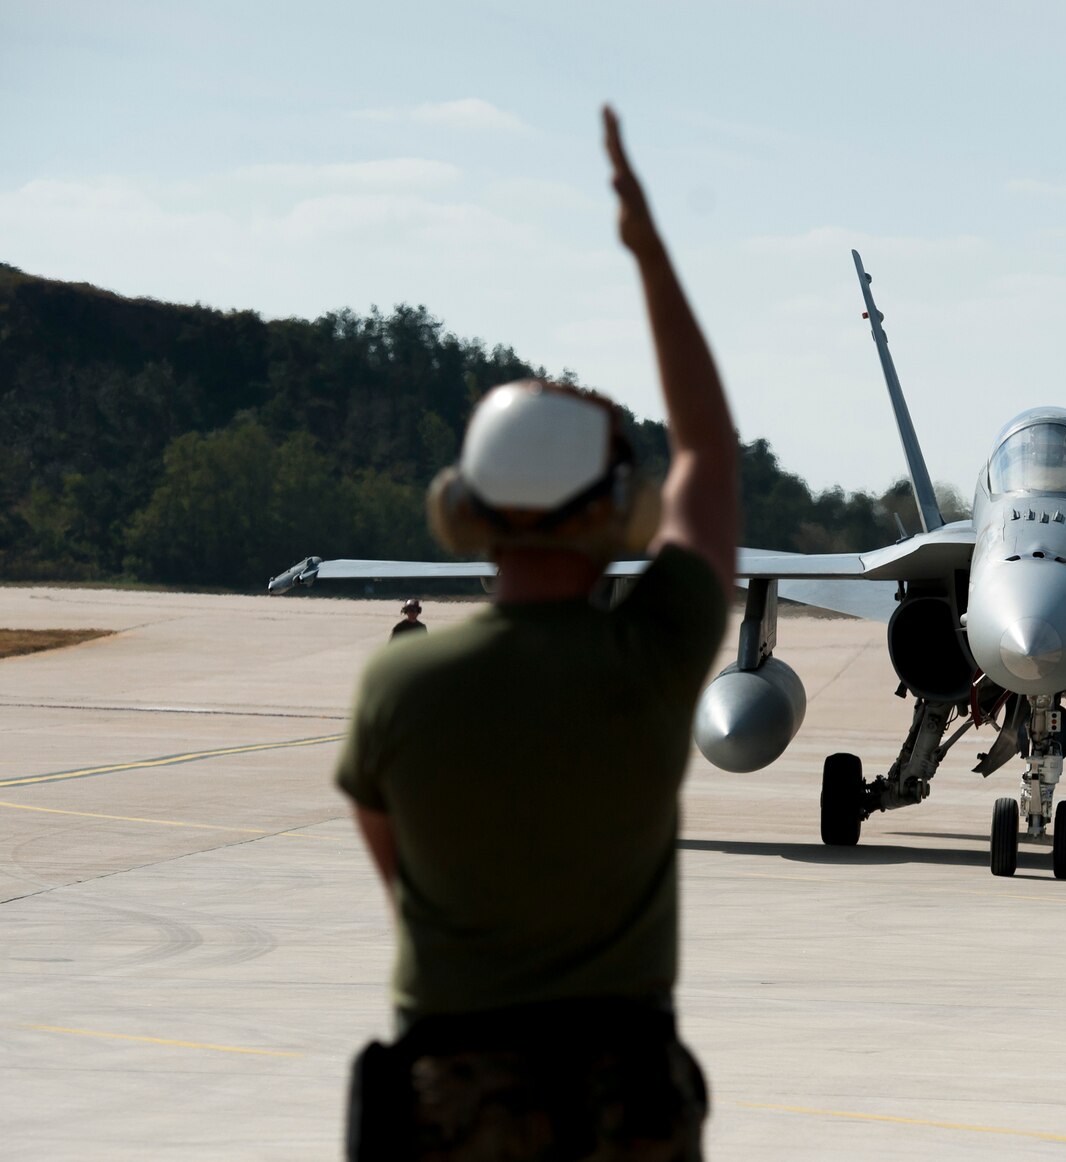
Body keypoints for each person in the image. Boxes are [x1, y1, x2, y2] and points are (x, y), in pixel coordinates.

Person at [334, 106, 738, 1161]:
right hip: (625, 1101)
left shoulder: (399, 686)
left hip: (450, 1095)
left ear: (463, 502)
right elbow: (706, 452)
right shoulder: (650, 660)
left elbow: (398, 863)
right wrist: (650, 257)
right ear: (614, 507)